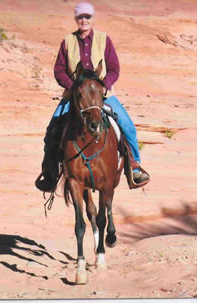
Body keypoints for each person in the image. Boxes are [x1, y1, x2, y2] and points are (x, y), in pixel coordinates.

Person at [35, 2, 150, 192]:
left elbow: (114, 68)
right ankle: (50, 171)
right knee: (52, 129)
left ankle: (135, 167)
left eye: (87, 17)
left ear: (92, 19)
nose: (84, 20)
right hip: (74, 95)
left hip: (102, 95)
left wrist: (104, 86)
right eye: (81, 17)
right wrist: (75, 88)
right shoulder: (67, 42)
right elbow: (59, 70)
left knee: (128, 126)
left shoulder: (105, 40)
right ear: (76, 19)